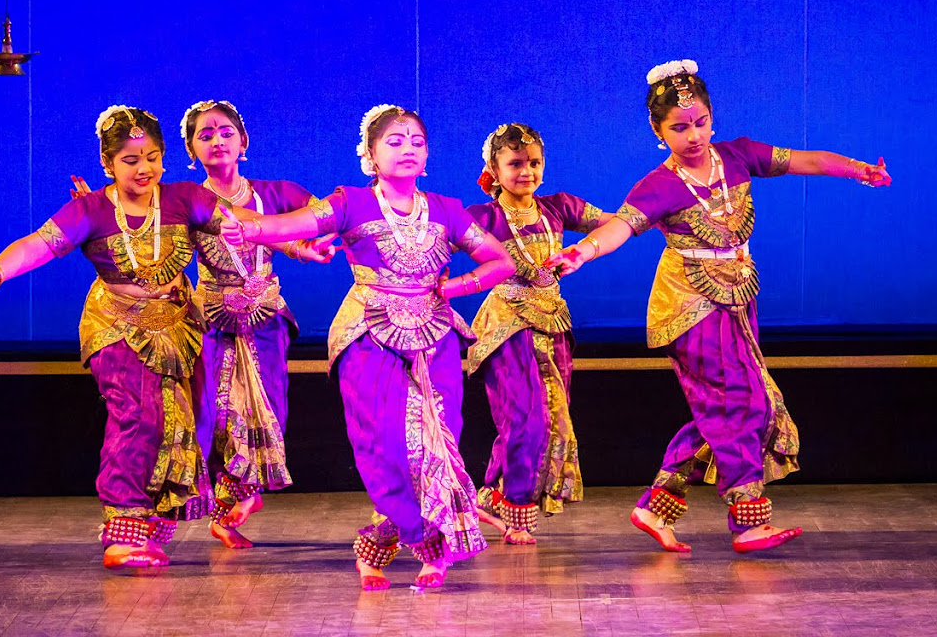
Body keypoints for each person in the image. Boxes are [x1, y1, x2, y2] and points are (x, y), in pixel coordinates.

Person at [546, 60, 891, 553]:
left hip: (738, 295)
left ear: (713, 117)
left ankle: (656, 503)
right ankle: (748, 520)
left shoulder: (738, 156)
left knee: (726, 404)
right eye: (679, 128)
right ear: (657, 129)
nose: (693, 136)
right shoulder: (659, 186)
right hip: (688, 304)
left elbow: (807, 162)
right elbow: (621, 226)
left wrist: (859, 170)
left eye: (701, 122)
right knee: (743, 399)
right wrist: (583, 250)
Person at [218, 104, 515, 589]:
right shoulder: (351, 201)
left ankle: (404, 546)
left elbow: (499, 260)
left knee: (438, 445)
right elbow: (295, 224)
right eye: (394, 142)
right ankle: (422, 541)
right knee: (385, 446)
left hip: (434, 336)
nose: (407, 149)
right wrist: (250, 228)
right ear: (371, 155)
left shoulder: (445, 209)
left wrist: (456, 287)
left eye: (416, 141)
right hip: (367, 336)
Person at [0, 105, 222, 570]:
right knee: (138, 415)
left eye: (153, 157)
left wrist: (299, 244)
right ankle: (121, 533)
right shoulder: (92, 209)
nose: (144, 169)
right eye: (131, 160)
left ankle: (149, 526)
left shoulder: (181, 198)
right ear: (107, 163)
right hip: (116, 323)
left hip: (178, 325)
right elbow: (40, 244)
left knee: (188, 420)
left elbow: (245, 223)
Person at [179, 100, 333, 549]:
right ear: (192, 150)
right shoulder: (187, 201)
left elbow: (317, 221)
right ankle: (221, 508)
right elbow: (152, 230)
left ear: (243, 142)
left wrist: (305, 248)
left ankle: (236, 504)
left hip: (264, 317)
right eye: (205, 135)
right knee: (214, 412)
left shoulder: (276, 192)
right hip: (210, 318)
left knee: (269, 411)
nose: (217, 140)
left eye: (225, 132)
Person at [466, 123, 613, 545]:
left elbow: (613, 224)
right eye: (514, 163)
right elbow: (437, 240)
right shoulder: (484, 217)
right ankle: (516, 510)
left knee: (550, 419)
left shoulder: (558, 207)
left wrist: (659, 221)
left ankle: (493, 492)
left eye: (533, 162)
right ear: (493, 168)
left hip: (553, 323)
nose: (526, 171)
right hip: (507, 327)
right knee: (525, 418)